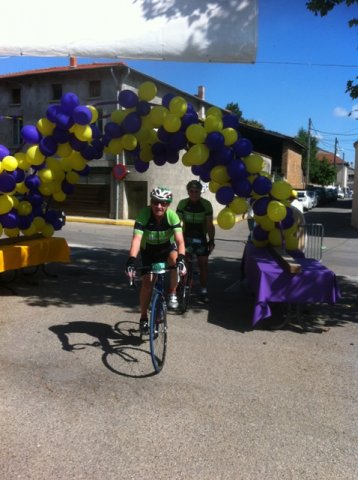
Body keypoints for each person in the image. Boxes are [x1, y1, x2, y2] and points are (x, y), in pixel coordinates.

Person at [125, 186, 186, 333]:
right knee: (147, 283)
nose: (158, 206)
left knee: (174, 259)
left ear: (168, 204)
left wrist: (182, 260)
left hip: (166, 248)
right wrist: (131, 261)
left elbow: (180, 241)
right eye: (155, 202)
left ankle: (172, 292)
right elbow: (136, 240)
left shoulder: (172, 216)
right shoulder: (143, 215)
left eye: (163, 203)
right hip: (149, 251)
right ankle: (144, 317)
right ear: (151, 202)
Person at [176, 180, 215, 302]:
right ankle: (183, 283)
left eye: (196, 191)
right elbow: (177, 223)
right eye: (191, 191)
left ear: (200, 192)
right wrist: (176, 240)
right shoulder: (183, 203)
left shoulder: (206, 204)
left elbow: (209, 225)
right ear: (188, 192)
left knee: (203, 264)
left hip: (201, 237)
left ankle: (203, 290)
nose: (193, 194)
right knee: (183, 262)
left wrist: (211, 241)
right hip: (185, 237)